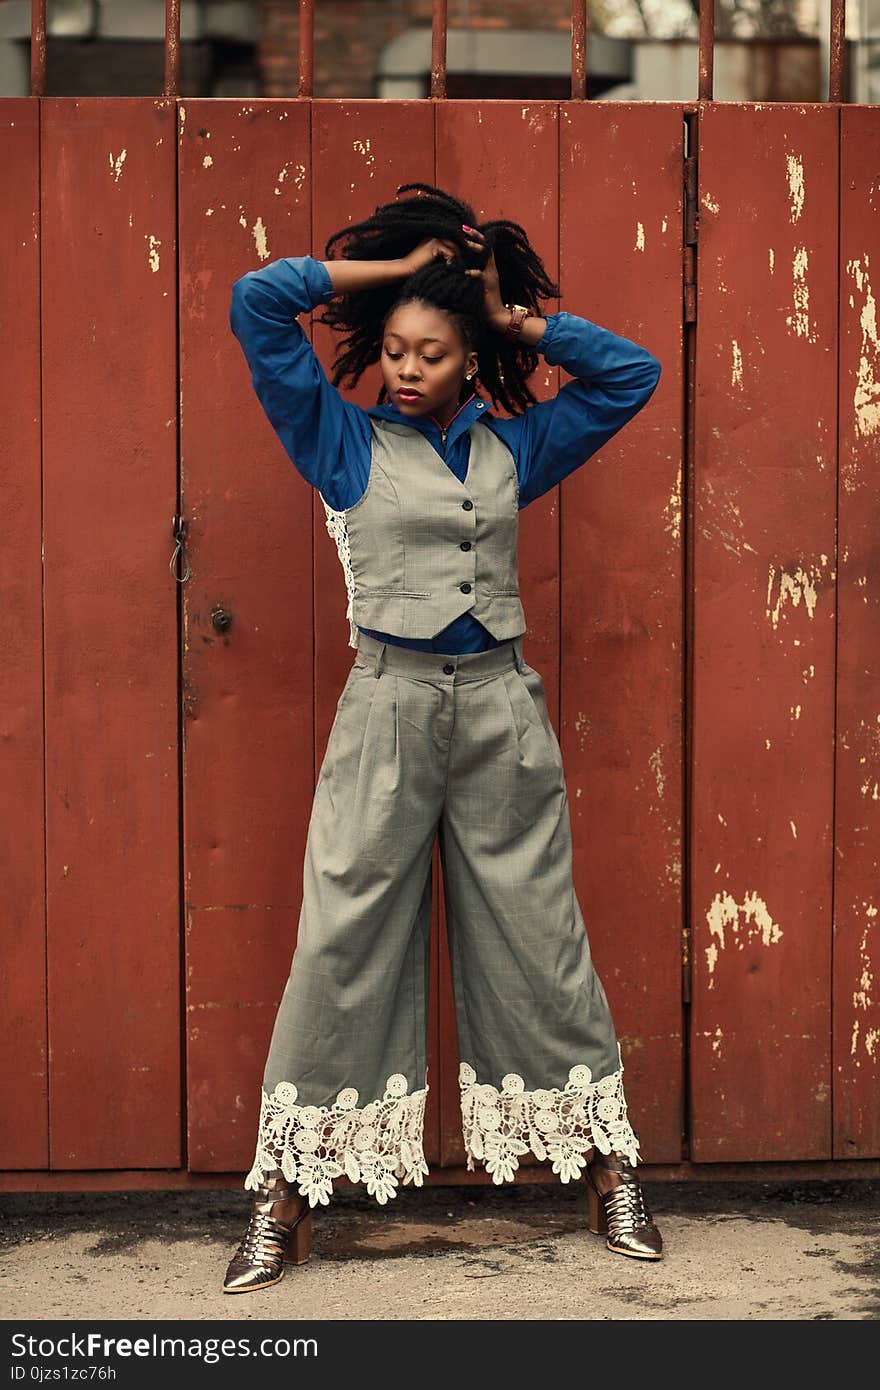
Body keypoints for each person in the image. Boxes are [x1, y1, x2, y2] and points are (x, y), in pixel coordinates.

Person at [222, 183, 663, 1294]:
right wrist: (397, 275)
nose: (407, 368)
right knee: (342, 939)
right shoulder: (337, 436)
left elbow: (632, 374)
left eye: (432, 352)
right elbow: (255, 301)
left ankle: (612, 1177)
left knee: (540, 935)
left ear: (466, 363)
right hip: (388, 706)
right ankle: (282, 1200)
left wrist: (510, 319)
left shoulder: (520, 448)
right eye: (397, 351)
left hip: (502, 710)